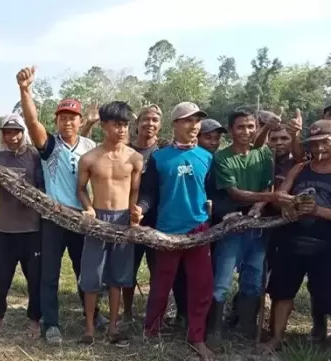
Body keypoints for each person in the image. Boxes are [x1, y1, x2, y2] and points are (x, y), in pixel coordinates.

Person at [16, 66, 105, 344]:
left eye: (72, 118)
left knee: (85, 271)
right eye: (62, 117)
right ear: (57, 121)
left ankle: (94, 315)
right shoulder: (50, 145)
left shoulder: (90, 145)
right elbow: (32, 123)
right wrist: (25, 90)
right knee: (50, 273)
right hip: (54, 218)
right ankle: (51, 323)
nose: (67, 122)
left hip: (82, 218)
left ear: (80, 122)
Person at [135, 102, 214, 360]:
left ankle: (197, 336)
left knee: (201, 285)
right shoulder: (159, 157)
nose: (194, 126)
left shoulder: (206, 157)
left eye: (197, 121)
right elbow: (150, 193)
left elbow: (213, 192)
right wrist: (141, 208)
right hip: (167, 230)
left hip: (199, 229)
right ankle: (152, 330)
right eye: (188, 121)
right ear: (175, 125)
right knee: (161, 283)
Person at [77, 101, 143, 345]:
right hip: (98, 219)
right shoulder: (90, 158)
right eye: (117, 124)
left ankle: (113, 327)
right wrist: (89, 209)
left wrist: (135, 215)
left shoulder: (135, 158)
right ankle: (90, 329)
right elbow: (81, 189)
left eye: (125, 125)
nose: (122, 129)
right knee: (92, 275)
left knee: (119, 276)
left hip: (123, 219)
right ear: (104, 125)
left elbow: (135, 191)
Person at [262, 119, 331, 351]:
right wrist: (286, 203)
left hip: (326, 244)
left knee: (326, 293)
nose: (319, 148)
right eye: (314, 143)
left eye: (325, 142)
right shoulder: (300, 168)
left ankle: (324, 336)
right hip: (292, 240)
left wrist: (317, 210)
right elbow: (281, 192)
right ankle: (276, 338)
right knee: (282, 291)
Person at [0, 114, 42, 337]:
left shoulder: (34, 156)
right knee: (2, 278)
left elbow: (42, 188)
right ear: (2, 134)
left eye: (17, 131)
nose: (12, 137)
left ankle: (34, 321)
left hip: (32, 229)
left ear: (24, 132)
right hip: (4, 229)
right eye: (7, 132)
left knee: (34, 279)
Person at [209, 108, 276, 342]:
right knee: (223, 279)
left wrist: (260, 205)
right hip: (232, 225)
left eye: (250, 126)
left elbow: (268, 185)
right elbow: (234, 193)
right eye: (240, 127)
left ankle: (246, 326)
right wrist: (270, 199)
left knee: (254, 277)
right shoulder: (222, 158)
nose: (246, 131)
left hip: (259, 226)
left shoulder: (264, 153)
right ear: (231, 130)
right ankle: (214, 330)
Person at [122, 105, 162, 323]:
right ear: (137, 124)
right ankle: (127, 313)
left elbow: (155, 189)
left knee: (157, 268)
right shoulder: (124, 151)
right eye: (145, 119)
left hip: (157, 218)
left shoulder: (163, 153)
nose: (150, 123)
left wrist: (143, 208)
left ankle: (154, 315)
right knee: (129, 267)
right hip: (127, 217)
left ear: (160, 125)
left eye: (155, 119)